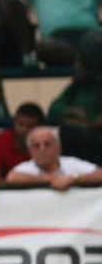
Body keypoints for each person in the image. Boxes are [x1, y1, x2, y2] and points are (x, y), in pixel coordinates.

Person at [47, 30, 102, 164]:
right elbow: (54, 109)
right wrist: (69, 112)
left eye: (81, 62)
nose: (76, 67)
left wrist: (87, 124)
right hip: (78, 148)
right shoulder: (77, 87)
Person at [6, 126, 102, 189]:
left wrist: (73, 178)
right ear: (30, 151)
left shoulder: (71, 162)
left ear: (58, 147)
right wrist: (48, 179)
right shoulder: (26, 167)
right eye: (36, 146)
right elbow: (11, 178)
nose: (42, 149)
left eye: (47, 144)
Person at [0, 102, 42, 181]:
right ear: (13, 122)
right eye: (20, 124)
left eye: (29, 126)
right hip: (5, 191)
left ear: (38, 128)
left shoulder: (44, 145)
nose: (23, 130)